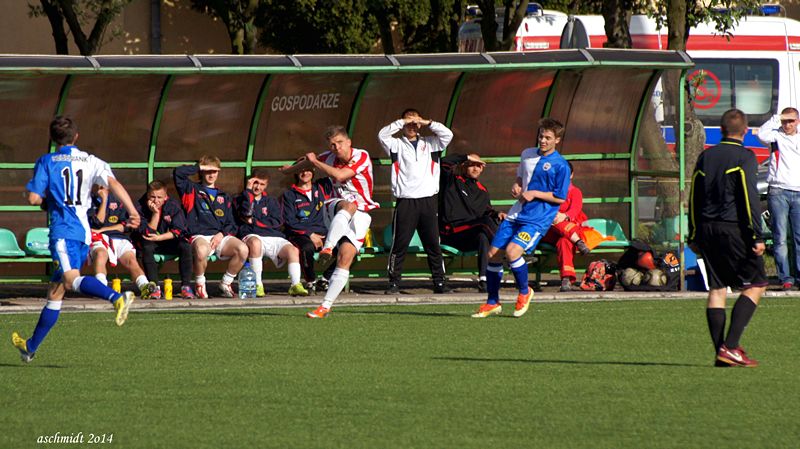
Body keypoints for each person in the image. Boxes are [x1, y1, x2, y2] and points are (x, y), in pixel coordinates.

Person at [12, 116, 139, 363]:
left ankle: (117, 298)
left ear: (52, 139)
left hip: (63, 232)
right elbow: (113, 183)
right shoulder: (92, 161)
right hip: (83, 234)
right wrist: (132, 211)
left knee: (70, 280)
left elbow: (34, 198)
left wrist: (41, 198)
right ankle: (30, 347)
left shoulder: (47, 161)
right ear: (76, 136)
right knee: (56, 292)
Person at [689, 108, 768, 367]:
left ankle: (721, 354)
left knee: (717, 288)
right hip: (732, 229)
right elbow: (749, 196)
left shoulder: (705, 156)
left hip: (706, 229)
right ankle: (731, 347)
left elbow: (694, 196)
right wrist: (756, 235)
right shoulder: (745, 156)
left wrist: (693, 233)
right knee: (757, 284)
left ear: (722, 130)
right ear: (745, 131)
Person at [472, 117, 570, 319]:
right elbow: (521, 176)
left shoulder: (561, 165)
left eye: (548, 138)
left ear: (557, 140)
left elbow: (560, 197)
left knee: (512, 251)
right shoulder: (527, 154)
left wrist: (534, 193)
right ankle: (493, 302)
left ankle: (525, 291)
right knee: (493, 254)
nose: (543, 140)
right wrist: (517, 185)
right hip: (516, 213)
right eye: (541, 136)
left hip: (537, 219)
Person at [296, 125, 379, 318]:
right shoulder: (327, 157)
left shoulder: (361, 156)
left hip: (362, 213)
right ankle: (328, 247)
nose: (337, 148)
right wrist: (288, 170)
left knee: (345, 258)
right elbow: (306, 163)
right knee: (348, 205)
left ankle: (324, 306)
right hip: (336, 207)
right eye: (332, 145)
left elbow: (340, 175)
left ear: (349, 142)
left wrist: (315, 162)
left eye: (340, 143)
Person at [378, 109, 454, 294]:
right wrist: (401, 121)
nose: (412, 126)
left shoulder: (432, 143)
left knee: (433, 244)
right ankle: (394, 282)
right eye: (408, 123)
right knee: (400, 244)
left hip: (428, 201)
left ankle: (439, 282)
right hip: (406, 201)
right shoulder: (395, 144)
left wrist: (427, 122)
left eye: (415, 123)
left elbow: (448, 134)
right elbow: (382, 135)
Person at [174, 156, 248, 299]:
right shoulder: (191, 189)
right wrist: (200, 166)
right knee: (201, 250)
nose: (211, 174)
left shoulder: (224, 196)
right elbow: (178, 172)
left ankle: (226, 283)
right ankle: (200, 284)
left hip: (219, 236)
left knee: (243, 249)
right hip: (199, 235)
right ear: (202, 171)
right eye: (208, 171)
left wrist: (221, 234)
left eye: (214, 171)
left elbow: (232, 223)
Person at [438, 152, 506, 292]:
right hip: (452, 232)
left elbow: (487, 211)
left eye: (478, 166)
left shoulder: (482, 190)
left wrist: (497, 214)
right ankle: (507, 253)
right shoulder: (452, 180)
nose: (475, 169)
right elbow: (444, 162)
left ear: (482, 169)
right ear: (464, 166)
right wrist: (466, 157)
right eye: (472, 165)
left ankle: (484, 280)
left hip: (470, 234)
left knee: (482, 236)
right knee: (484, 223)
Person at [235, 169, 307, 297]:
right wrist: (248, 192)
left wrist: (254, 222)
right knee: (255, 243)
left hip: (273, 236)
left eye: (262, 184)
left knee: (293, 250)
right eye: (255, 183)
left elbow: (277, 222)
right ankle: (257, 285)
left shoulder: (271, 201)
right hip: (252, 236)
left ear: (266, 185)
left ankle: (295, 285)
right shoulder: (240, 199)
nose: (258, 187)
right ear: (250, 182)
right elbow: (246, 214)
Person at [757, 107, 800, 290]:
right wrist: (776, 118)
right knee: (780, 237)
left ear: (797, 121)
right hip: (778, 191)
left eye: (791, 121)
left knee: (798, 237)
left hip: (798, 191)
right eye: (785, 121)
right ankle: (786, 278)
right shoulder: (775, 136)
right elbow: (761, 134)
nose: (787, 125)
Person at [88, 186, 158, 299]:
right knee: (101, 254)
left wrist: (103, 229)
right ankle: (101, 288)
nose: (102, 186)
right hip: (98, 237)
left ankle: (144, 286)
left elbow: (126, 225)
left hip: (119, 238)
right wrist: (104, 200)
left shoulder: (118, 200)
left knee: (131, 259)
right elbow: (97, 224)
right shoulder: (88, 200)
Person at [133, 180, 195, 299]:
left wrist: (159, 237)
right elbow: (148, 234)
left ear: (165, 197)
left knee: (185, 246)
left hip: (166, 240)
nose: (156, 201)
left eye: (159, 197)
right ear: (147, 195)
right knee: (147, 247)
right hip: (149, 241)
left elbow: (179, 230)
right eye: (152, 197)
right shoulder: (139, 206)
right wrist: (155, 214)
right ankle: (155, 288)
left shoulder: (173, 205)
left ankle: (186, 287)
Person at [541, 161, 592, 292]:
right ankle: (578, 242)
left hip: (568, 230)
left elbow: (575, 210)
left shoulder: (575, 192)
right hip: (550, 232)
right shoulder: (549, 192)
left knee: (564, 241)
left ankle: (566, 279)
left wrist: (564, 216)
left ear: (571, 175)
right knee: (553, 220)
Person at [281, 167, 333, 292]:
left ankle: (325, 279)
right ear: (296, 172)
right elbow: (289, 221)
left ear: (313, 171)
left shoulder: (321, 187)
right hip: (300, 234)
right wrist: (310, 234)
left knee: (349, 249)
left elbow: (333, 169)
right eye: (301, 170)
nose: (305, 173)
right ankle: (311, 281)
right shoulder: (289, 194)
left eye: (308, 169)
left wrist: (315, 161)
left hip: (323, 233)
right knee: (307, 248)